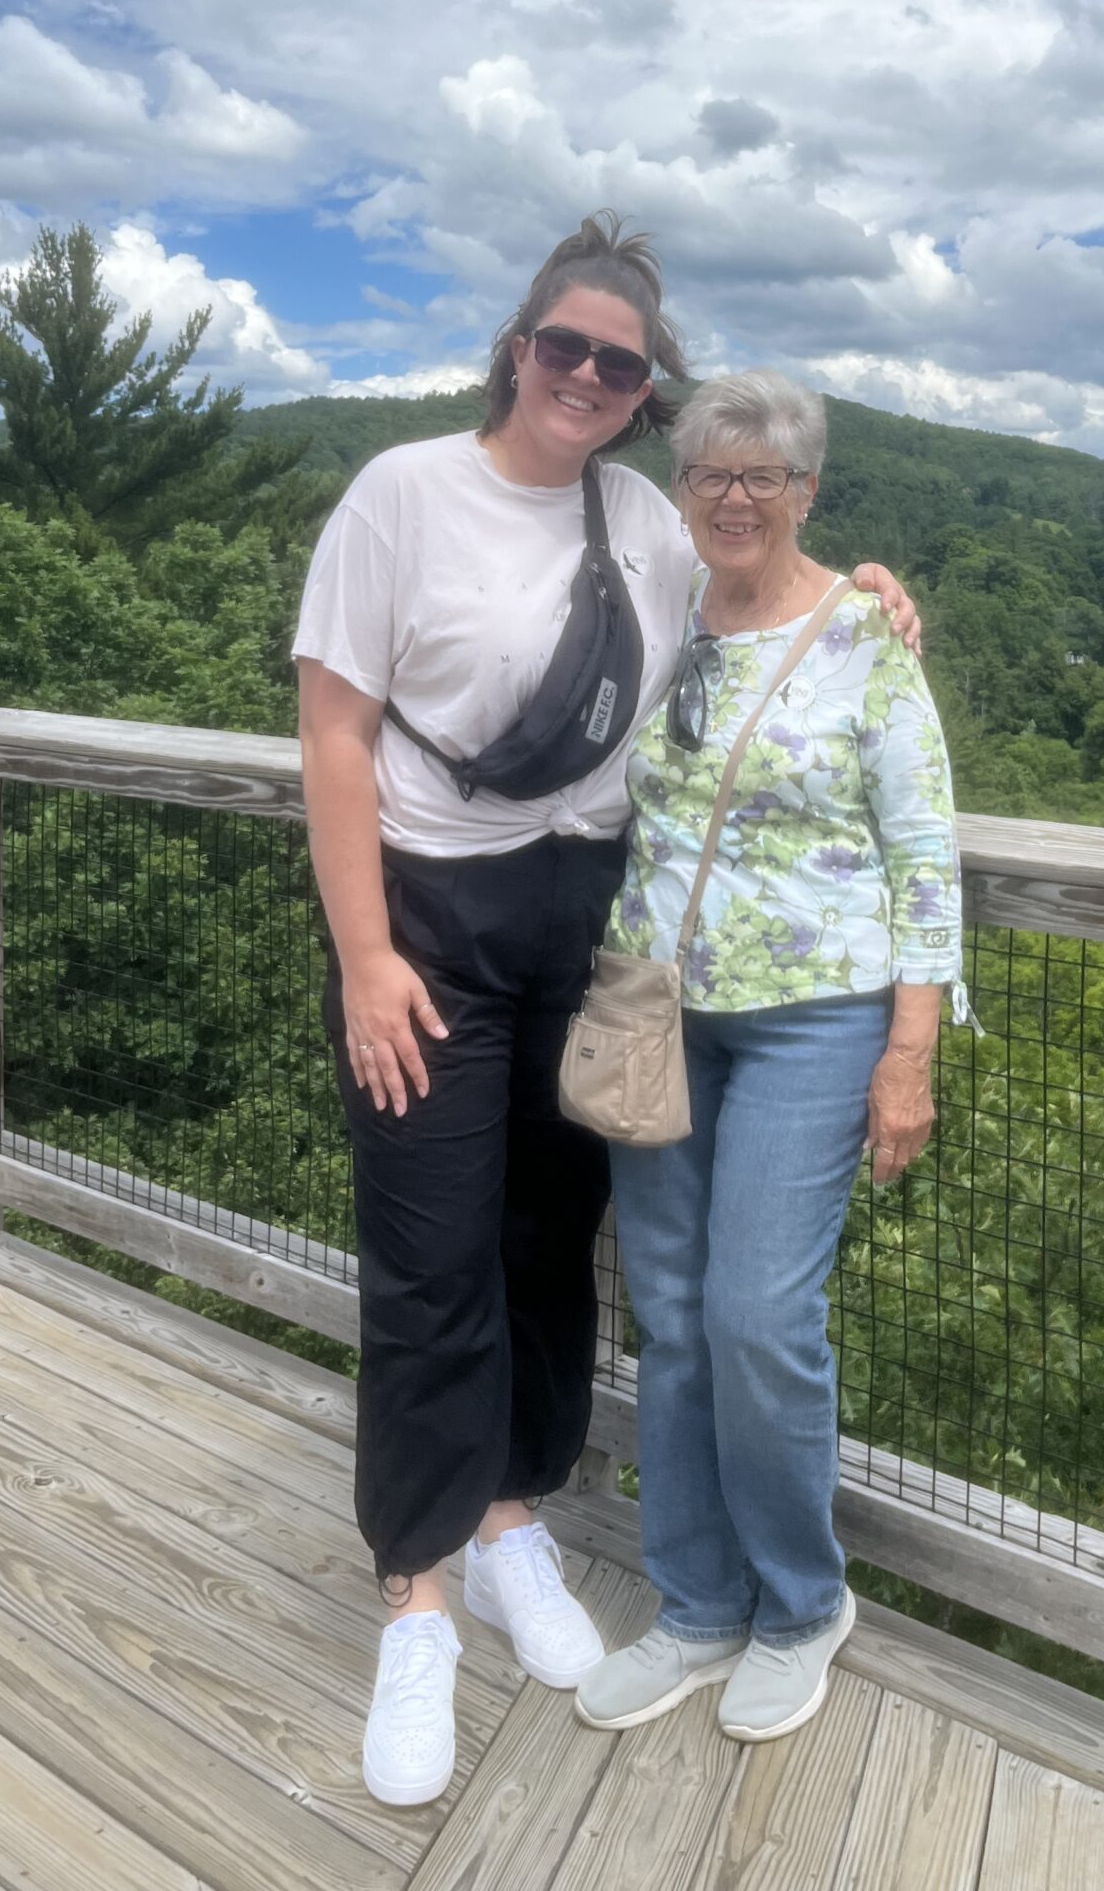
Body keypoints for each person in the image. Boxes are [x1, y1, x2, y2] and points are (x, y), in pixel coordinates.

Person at [292, 218, 918, 1807]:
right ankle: (418, 1593)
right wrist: (366, 957)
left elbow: (760, 586)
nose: (585, 374)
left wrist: (871, 594)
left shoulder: (640, 515)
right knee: (429, 1258)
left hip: (593, 930)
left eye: (619, 363)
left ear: (645, 391)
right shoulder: (400, 495)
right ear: (517, 347)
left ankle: (513, 1520)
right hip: (427, 926)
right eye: (563, 346)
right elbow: (337, 741)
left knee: (546, 1247)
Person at [575, 369, 961, 1747]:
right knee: (671, 1320)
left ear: (807, 489)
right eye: (711, 476)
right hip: (659, 1007)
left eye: (765, 476)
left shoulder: (866, 635)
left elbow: (925, 859)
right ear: (685, 493)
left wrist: (908, 1052)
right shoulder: (664, 612)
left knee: (756, 1319)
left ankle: (802, 1604)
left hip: (815, 1020)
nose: (735, 497)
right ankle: (694, 1602)